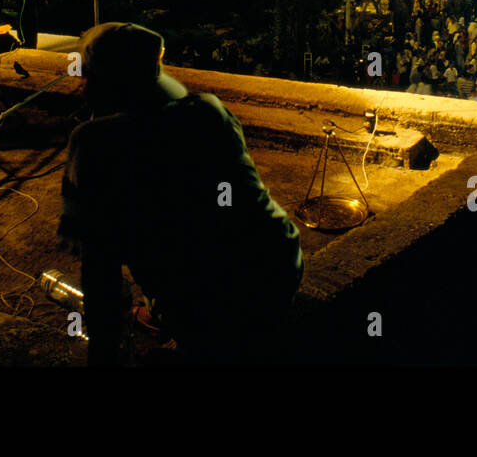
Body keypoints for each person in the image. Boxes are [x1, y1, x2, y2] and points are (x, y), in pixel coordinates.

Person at [60, 22, 303, 365]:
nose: (80, 87)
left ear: (102, 84)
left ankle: (187, 331)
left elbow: (101, 272)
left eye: (86, 78)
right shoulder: (209, 109)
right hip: (278, 266)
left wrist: (103, 355)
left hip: (211, 303)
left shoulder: (93, 144)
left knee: (187, 294)